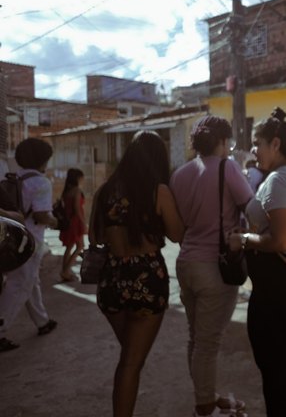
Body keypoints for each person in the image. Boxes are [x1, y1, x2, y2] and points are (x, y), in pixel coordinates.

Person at [227, 107, 286, 417]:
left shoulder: (280, 180)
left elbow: (280, 240)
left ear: (275, 144)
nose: (254, 150)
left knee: (275, 364)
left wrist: (243, 239)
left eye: (257, 143)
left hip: (278, 287)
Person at [89, 131, 185, 417]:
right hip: (147, 278)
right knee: (130, 363)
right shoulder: (159, 191)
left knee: (130, 358)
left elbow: (94, 237)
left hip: (112, 279)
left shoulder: (104, 191)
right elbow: (177, 234)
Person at [170, 116, 253, 417]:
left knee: (196, 338)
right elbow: (252, 207)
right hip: (214, 267)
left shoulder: (180, 174)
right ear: (222, 141)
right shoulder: (227, 167)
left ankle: (206, 396)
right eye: (228, 141)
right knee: (208, 342)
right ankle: (204, 407)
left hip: (186, 263)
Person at [0, 138, 59, 352]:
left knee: (30, 281)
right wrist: (56, 221)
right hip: (30, 241)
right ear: (43, 160)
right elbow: (42, 215)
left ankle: (42, 321)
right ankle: (1, 328)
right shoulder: (41, 182)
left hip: (12, 238)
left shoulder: (13, 178)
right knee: (19, 285)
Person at [58, 168, 87, 281]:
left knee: (69, 247)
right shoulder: (77, 191)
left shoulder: (67, 191)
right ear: (77, 178)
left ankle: (64, 271)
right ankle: (65, 271)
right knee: (80, 246)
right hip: (75, 222)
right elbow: (77, 208)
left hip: (68, 221)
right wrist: (83, 223)